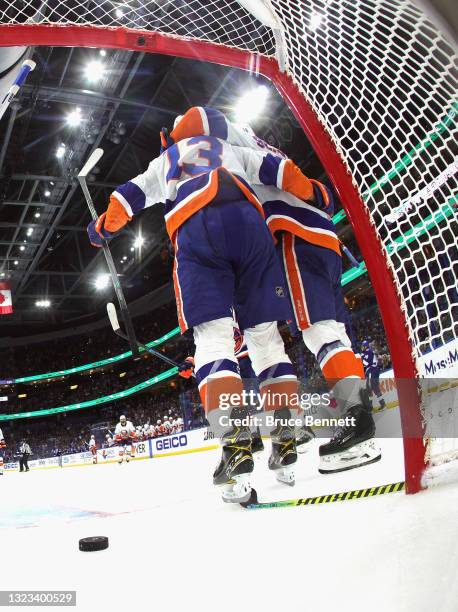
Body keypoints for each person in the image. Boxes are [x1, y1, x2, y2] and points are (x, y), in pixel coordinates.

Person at [87, 108, 318, 502]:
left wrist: (102, 228)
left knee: (214, 340)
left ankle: (236, 446)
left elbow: (127, 197)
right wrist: (318, 199)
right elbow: (287, 175)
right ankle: (285, 440)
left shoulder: (168, 158)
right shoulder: (232, 148)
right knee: (266, 340)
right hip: (250, 228)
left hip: (199, 229)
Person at [171, 106, 380, 475]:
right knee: (324, 331)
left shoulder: (225, 140)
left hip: (293, 233)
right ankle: (304, 426)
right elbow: (317, 193)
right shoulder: (253, 145)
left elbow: (200, 120)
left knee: (315, 332)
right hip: (318, 233)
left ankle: (356, 422)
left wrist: (172, 141)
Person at [361, 340, 386, 410]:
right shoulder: (369, 351)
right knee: (374, 389)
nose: (362, 347)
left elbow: (366, 364)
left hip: (372, 371)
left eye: (363, 346)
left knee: (369, 389)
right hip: (373, 371)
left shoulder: (368, 352)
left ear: (365, 346)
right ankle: (382, 404)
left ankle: (371, 406)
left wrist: (362, 358)